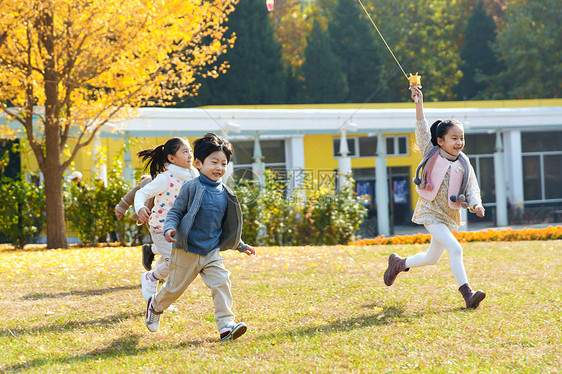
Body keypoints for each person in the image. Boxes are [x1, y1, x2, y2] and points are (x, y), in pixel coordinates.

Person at [144, 133, 256, 341]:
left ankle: (226, 326)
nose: (219, 168)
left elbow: (225, 227)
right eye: (214, 162)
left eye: (223, 163)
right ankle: (155, 307)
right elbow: (176, 212)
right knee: (174, 289)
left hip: (211, 251)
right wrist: (169, 229)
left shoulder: (226, 193)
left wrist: (240, 245)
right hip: (187, 249)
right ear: (198, 163)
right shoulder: (191, 187)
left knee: (222, 282)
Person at [383, 87, 486, 309]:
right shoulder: (431, 153)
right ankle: (468, 295)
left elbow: (472, 187)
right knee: (455, 248)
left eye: (462, 138)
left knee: (432, 258)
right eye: (454, 138)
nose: (459, 142)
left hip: (449, 214)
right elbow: (421, 129)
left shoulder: (464, 162)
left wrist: (476, 204)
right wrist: (419, 103)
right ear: (440, 141)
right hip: (430, 212)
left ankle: (399, 264)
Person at [133, 138, 199, 301]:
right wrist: (140, 207)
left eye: (190, 151)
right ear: (171, 158)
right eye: (185, 152)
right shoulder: (166, 178)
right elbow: (141, 193)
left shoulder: (194, 178)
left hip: (180, 231)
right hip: (160, 228)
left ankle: (152, 251)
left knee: (178, 262)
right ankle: (150, 278)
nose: (190, 155)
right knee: (177, 262)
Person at [114, 174, 155, 270]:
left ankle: (159, 273)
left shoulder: (181, 176)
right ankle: (150, 252)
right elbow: (132, 194)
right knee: (167, 246)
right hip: (154, 219)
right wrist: (121, 208)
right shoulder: (149, 181)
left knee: (169, 247)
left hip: (172, 219)